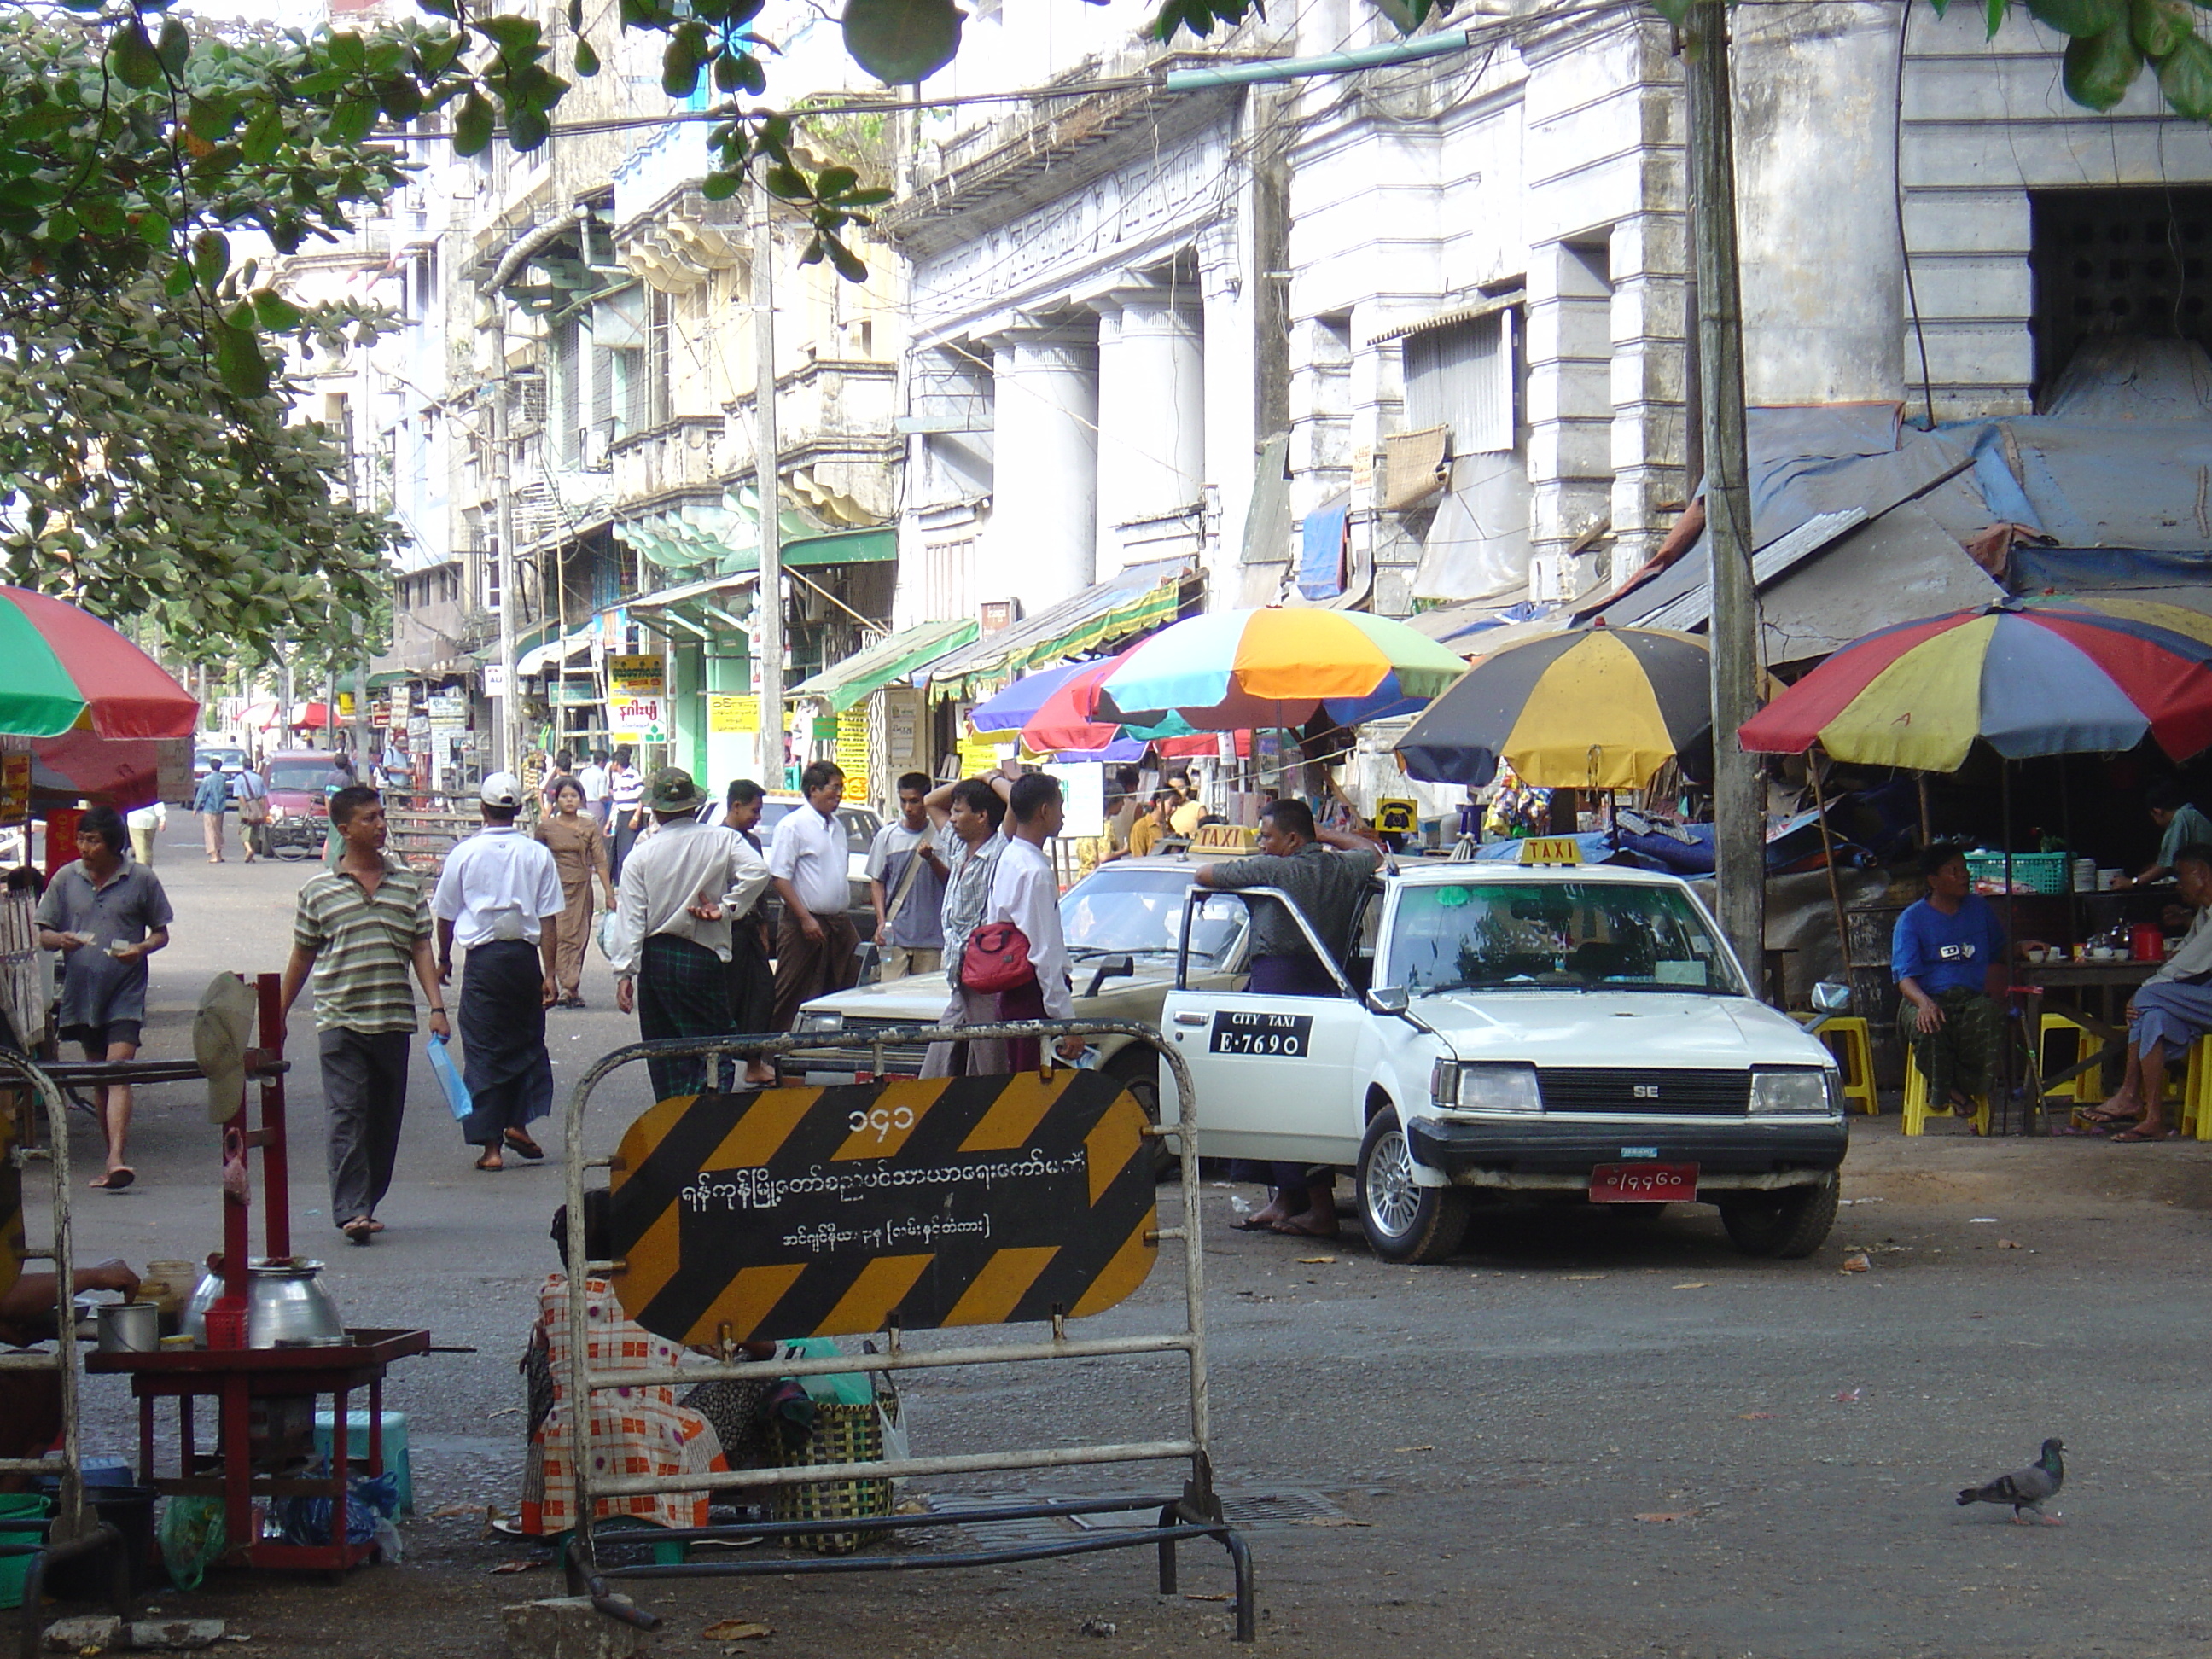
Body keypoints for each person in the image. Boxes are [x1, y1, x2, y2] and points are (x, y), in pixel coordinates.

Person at [1196, 797, 1385, 1237]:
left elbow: (1202, 873)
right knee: (1302, 1094)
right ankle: (1287, 1199)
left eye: (1266, 836)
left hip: (1277, 987)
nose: (1261, 844)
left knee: (1275, 1098)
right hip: (1325, 985)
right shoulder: (1343, 868)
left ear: (1292, 840)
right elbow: (1372, 853)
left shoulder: (1278, 870)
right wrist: (1326, 834)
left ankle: (1318, 1209)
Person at [279, 784, 450, 1245]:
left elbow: (420, 946)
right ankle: (351, 1209)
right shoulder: (319, 892)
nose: (380, 825)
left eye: (381, 817)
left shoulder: (407, 885)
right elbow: (302, 955)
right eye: (369, 819)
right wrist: (278, 1012)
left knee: (383, 1119)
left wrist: (436, 1007)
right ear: (344, 830)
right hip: (340, 1020)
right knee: (347, 1113)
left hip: (393, 1020)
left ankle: (367, 1201)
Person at [520, 1197, 730, 1538]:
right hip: (659, 1440)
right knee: (741, 1378)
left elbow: (543, 1346)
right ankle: (728, 1490)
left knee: (543, 1359)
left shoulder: (555, 1294)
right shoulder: (664, 1291)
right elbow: (749, 1349)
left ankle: (553, 1521)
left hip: (572, 1436)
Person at [608, 768, 772, 1100]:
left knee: (665, 1049)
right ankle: (703, 1116)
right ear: (694, 806)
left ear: (655, 810)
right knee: (712, 1044)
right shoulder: (722, 840)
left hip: (656, 960)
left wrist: (625, 973)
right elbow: (758, 872)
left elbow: (631, 920)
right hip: (702, 954)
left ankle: (673, 1115)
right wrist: (728, 907)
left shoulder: (641, 855)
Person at [433, 771, 564, 1173]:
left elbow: (445, 913)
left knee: (484, 1048)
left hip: (484, 963)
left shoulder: (464, 853)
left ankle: (491, 1148)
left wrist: (444, 956)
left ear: (482, 809)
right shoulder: (536, 854)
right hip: (523, 960)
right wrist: (550, 973)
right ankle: (518, 1122)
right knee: (525, 1041)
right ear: (518, 810)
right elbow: (548, 920)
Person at [35, 804, 172, 1189]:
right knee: (99, 1076)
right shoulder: (66, 879)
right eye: (81, 839)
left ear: (113, 844)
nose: (84, 847)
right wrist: (61, 939)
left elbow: (161, 932)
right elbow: (42, 932)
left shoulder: (141, 879)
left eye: (93, 840)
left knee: (118, 1070)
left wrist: (141, 949)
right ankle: (109, 1157)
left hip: (126, 988)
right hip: (82, 992)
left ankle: (117, 1158)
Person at [2081, 842, 2212, 1139]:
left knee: (2148, 999)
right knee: (2153, 1016)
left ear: (2201, 873)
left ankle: (2128, 1093)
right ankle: (2153, 1117)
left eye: (2181, 877)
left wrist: (2143, 991)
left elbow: (2186, 965)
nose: (2178, 886)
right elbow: (2181, 954)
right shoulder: (2204, 914)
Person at [1892, 841, 2010, 1122]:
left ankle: (1965, 1088)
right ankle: (1948, 1090)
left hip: (1969, 998)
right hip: (1925, 997)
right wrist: (1924, 1004)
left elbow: (1999, 951)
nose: (1963, 876)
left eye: (1964, 869)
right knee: (1929, 1025)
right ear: (1933, 880)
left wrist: (2025, 947)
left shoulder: (1978, 909)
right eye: (1953, 871)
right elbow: (1905, 978)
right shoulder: (1912, 920)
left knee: (1990, 1016)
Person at [986, 773, 1085, 1073]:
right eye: (1060, 806)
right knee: (1036, 1088)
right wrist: (1066, 1020)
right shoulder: (1034, 873)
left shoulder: (1009, 858)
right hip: (1032, 996)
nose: (1063, 815)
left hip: (1010, 989)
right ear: (1044, 811)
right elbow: (1045, 954)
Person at [919, 775, 1011, 1077]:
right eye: (954, 811)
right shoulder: (959, 848)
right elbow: (931, 801)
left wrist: (994, 779)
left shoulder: (1001, 849)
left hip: (986, 973)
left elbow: (1016, 801)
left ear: (982, 816)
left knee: (988, 1057)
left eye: (960, 811)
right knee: (945, 1048)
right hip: (960, 972)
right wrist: (975, 778)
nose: (954, 818)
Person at [768, 761, 862, 1028]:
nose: (839, 795)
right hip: (804, 921)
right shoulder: (793, 825)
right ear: (814, 790)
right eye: (833, 789)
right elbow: (780, 877)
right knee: (793, 987)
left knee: (846, 981)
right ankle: (773, 1053)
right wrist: (805, 918)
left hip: (838, 921)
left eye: (841, 789)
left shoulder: (838, 826)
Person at [534, 775, 614, 1009]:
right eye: (564, 796)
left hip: (581, 888)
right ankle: (560, 985)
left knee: (578, 936)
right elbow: (537, 861)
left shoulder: (589, 826)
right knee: (557, 936)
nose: (569, 801)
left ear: (581, 799)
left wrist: (609, 894)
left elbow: (600, 861)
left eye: (574, 796)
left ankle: (572, 987)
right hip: (554, 890)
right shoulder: (546, 828)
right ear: (556, 799)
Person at [865, 772, 947, 981]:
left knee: (923, 998)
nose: (908, 808)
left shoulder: (942, 836)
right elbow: (877, 882)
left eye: (914, 801)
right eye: (903, 801)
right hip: (896, 935)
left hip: (930, 936)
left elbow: (950, 880)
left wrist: (931, 859)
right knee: (891, 995)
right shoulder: (887, 836)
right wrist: (881, 922)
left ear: (926, 801)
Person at [720, 778, 777, 1079]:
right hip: (725, 929)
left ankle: (753, 1062)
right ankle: (724, 1062)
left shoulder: (752, 842)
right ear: (736, 806)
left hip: (752, 930)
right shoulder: (717, 840)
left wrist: (764, 928)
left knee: (762, 994)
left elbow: (760, 891)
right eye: (754, 811)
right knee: (730, 998)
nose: (757, 818)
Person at [2124, 778, 2212, 888]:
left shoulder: (2181, 817)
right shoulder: (2190, 813)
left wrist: (2133, 882)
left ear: (2157, 811)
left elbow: (2166, 866)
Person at [607, 747, 645, 879]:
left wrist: (635, 817)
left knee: (627, 850)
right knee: (617, 850)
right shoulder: (618, 778)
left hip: (631, 815)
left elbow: (643, 797)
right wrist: (609, 822)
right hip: (620, 816)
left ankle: (629, 878)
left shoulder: (633, 776)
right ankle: (618, 880)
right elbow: (617, 802)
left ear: (617, 763)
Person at [232, 760, 270, 862]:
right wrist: (263, 809)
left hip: (247, 804)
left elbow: (240, 796)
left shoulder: (239, 779)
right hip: (257, 805)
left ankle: (249, 849)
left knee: (244, 828)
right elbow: (263, 796)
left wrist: (245, 808)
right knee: (256, 829)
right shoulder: (259, 778)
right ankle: (252, 853)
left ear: (243, 767)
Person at [193, 762, 230, 864]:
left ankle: (214, 855)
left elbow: (202, 794)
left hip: (209, 808)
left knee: (210, 832)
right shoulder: (223, 779)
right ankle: (219, 853)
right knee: (218, 830)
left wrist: (196, 808)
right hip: (221, 808)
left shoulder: (207, 780)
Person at [125, 800, 166, 866]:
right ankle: (148, 867)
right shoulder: (151, 790)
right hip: (151, 820)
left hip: (135, 819)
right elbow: (158, 803)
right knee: (148, 847)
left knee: (140, 848)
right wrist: (162, 819)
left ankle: (143, 869)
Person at [578, 749, 611, 830]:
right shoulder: (602, 775)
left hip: (583, 804)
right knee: (597, 832)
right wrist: (611, 798)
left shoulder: (584, 772)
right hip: (596, 805)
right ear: (602, 762)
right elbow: (602, 796)